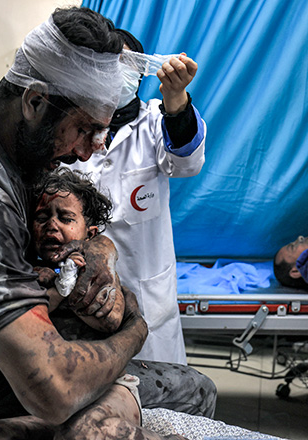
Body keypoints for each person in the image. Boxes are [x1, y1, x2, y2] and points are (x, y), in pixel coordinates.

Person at [0, 6, 215, 432]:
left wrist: (99, 247)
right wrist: (135, 328)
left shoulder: (2, 159)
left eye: (100, 134)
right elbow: (54, 390)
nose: (86, 152)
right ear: (35, 100)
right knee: (193, 390)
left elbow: (175, 165)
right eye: (83, 129)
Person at [0, 168, 189, 439]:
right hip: (52, 396)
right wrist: (52, 284)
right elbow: (15, 318)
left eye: (65, 218)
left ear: (89, 234)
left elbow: (109, 320)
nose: (52, 225)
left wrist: (65, 287)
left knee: (82, 433)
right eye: (42, 217)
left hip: (106, 387)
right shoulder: (26, 271)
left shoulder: (96, 270)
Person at [68, 29, 206, 365]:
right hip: (86, 290)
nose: (116, 71)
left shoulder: (157, 120)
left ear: (141, 71)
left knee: (161, 395)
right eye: (106, 63)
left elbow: (185, 164)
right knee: (97, 397)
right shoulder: (71, 126)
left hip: (146, 289)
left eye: (126, 62)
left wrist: (177, 99)